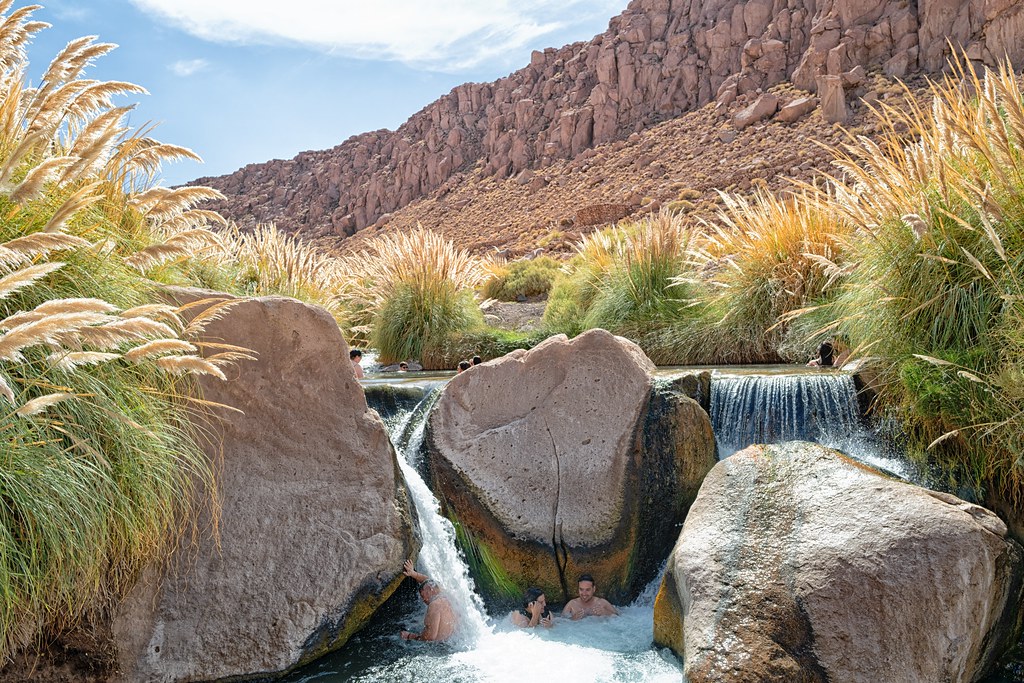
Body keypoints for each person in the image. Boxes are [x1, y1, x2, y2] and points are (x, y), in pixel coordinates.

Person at [399, 560, 457, 642]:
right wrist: (413, 574)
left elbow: (430, 637)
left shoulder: (435, 605)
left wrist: (409, 636)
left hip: (439, 646)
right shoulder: (445, 594)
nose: (424, 600)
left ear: (430, 589)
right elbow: (429, 581)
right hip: (452, 641)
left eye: (423, 596)